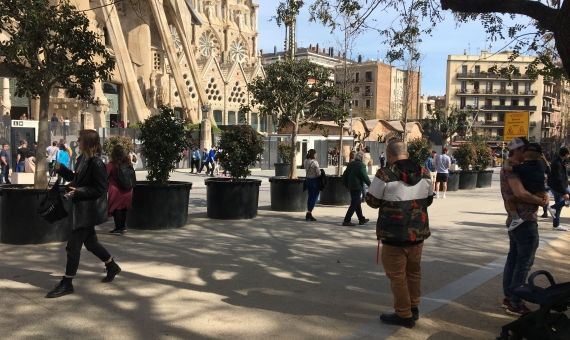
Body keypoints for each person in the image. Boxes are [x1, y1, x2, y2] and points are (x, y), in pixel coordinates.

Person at [365, 141, 433, 328]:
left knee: (397, 276)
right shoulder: (425, 172)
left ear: (389, 154)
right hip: (417, 234)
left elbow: (372, 201)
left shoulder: (385, 174)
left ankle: (403, 314)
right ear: (407, 153)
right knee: (414, 272)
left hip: (393, 235)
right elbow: (428, 200)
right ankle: (414, 307)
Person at [46, 129, 121, 299]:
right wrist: (59, 167)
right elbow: (75, 177)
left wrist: (78, 192)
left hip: (88, 211)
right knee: (92, 244)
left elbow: (100, 189)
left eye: (80, 139)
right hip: (81, 208)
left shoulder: (96, 163)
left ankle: (67, 282)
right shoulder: (82, 159)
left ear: (88, 142)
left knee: (73, 247)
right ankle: (111, 265)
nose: (77, 141)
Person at [500, 138, 548, 316]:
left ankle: (510, 297)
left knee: (513, 260)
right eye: (524, 150)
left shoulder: (516, 166)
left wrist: (543, 196)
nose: (527, 154)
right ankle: (515, 301)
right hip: (524, 221)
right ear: (518, 151)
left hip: (517, 221)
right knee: (523, 263)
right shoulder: (512, 168)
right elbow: (520, 193)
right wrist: (540, 201)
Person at [503, 143, 549, 231]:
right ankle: (548, 208)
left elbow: (507, 168)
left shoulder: (523, 167)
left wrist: (506, 161)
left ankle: (516, 219)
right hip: (541, 192)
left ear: (524, 154)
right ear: (539, 155)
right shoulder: (540, 165)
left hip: (532, 193)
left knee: (510, 200)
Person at [107, 144, 133, 235]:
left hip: (115, 190)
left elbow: (105, 175)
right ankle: (123, 227)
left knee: (116, 209)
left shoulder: (112, 164)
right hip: (127, 189)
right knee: (123, 209)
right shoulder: (128, 163)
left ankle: (118, 228)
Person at [342, 151, 370, 226]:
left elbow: (345, 174)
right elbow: (365, 177)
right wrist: (370, 185)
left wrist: (346, 184)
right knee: (354, 204)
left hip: (351, 186)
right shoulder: (361, 165)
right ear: (362, 158)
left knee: (357, 203)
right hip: (357, 186)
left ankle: (361, 219)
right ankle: (346, 220)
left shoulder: (351, 164)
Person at [547, 146, 570, 231]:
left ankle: (556, 225)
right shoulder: (557, 163)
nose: (569, 156)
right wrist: (564, 192)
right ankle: (552, 207)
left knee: (559, 206)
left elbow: (563, 175)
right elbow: (558, 178)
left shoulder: (560, 161)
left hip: (558, 186)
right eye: (568, 154)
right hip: (558, 187)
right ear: (566, 154)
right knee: (560, 204)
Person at [304, 149, 320, 222]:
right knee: (314, 197)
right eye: (315, 154)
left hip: (308, 180)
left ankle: (309, 213)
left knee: (310, 196)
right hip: (314, 181)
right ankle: (309, 212)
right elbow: (318, 173)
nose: (316, 155)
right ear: (313, 154)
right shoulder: (315, 162)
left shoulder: (305, 161)